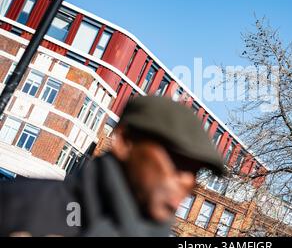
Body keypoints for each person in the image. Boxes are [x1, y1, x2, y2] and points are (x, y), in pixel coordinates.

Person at [0, 96, 224, 236]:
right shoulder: (17, 206)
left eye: (195, 171)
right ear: (125, 142)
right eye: (177, 162)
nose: (188, 182)